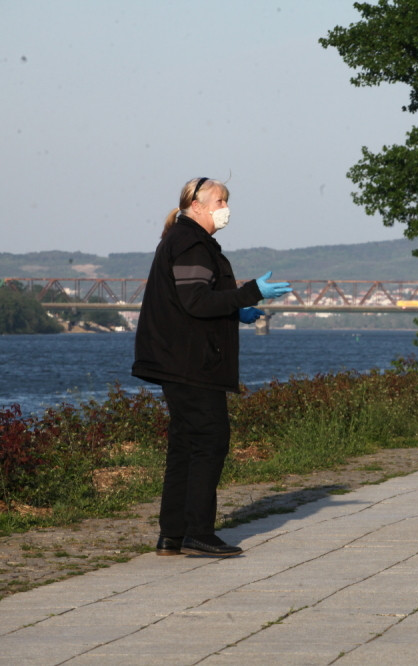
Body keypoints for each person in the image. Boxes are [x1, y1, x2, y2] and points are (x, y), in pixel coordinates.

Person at [133, 177, 292, 557]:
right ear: (197, 205)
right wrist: (252, 291)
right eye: (220, 200)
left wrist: (238, 309)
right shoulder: (190, 242)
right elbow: (197, 302)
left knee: (185, 446)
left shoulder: (186, 240)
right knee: (209, 442)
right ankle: (198, 532)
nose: (226, 207)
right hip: (192, 364)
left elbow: (199, 301)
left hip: (180, 359)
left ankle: (172, 533)